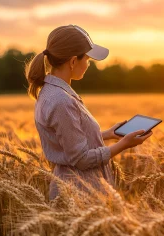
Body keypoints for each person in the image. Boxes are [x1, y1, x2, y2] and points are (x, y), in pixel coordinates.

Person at [24, 24, 152, 200]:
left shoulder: (50, 92)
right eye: (88, 60)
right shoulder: (61, 101)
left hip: (76, 190)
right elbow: (81, 159)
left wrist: (107, 134)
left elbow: (67, 139)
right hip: (80, 194)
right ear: (73, 61)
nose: (89, 65)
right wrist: (124, 144)